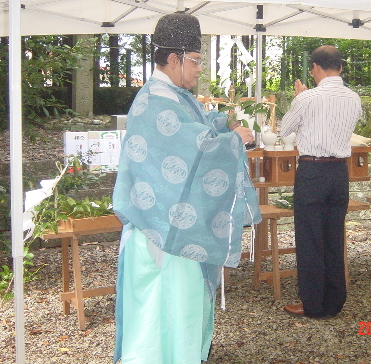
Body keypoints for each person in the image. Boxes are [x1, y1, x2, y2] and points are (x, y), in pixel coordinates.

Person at [112, 13, 261, 363]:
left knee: (177, 320)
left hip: (172, 229)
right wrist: (232, 142)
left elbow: (191, 132)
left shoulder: (170, 96)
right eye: (194, 61)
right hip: (162, 235)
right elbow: (192, 147)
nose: (198, 70)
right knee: (163, 324)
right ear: (174, 59)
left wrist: (221, 123)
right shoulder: (154, 102)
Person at [280, 45, 361, 319]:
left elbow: (284, 130)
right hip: (339, 172)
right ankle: (334, 301)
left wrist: (300, 98)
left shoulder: (308, 98)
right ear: (340, 66)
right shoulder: (354, 98)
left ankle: (313, 304)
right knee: (333, 236)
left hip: (313, 171)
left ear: (315, 67)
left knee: (310, 238)